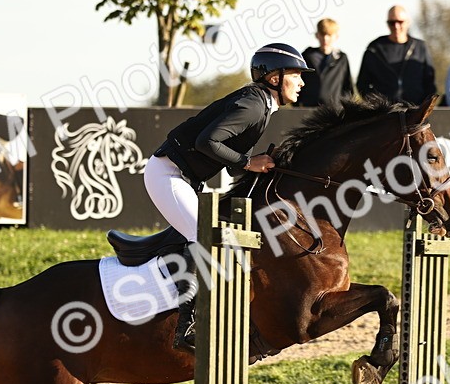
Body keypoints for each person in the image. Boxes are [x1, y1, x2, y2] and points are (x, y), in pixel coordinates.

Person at [145, 42, 312, 351]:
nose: (302, 82)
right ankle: (186, 327)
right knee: (205, 237)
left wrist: (257, 160)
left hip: (183, 176)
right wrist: (249, 162)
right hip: (167, 175)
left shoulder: (260, 104)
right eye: (296, 74)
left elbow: (224, 153)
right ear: (274, 77)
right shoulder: (254, 105)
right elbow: (208, 141)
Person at [356, 5, 436, 105]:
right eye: (392, 23)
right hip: (385, 114)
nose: (396, 26)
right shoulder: (375, 49)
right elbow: (362, 84)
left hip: (415, 112)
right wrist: (376, 104)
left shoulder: (420, 47)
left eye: (400, 22)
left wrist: (424, 106)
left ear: (408, 22)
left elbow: (430, 82)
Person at [297, 18, 354, 108]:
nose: (325, 39)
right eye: (322, 34)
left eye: (329, 35)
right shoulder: (307, 56)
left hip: (334, 111)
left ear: (336, 36)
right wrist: (298, 104)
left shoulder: (342, 58)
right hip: (309, 108)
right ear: (317, 35)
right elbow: (297, 80)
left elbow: (347, 87)